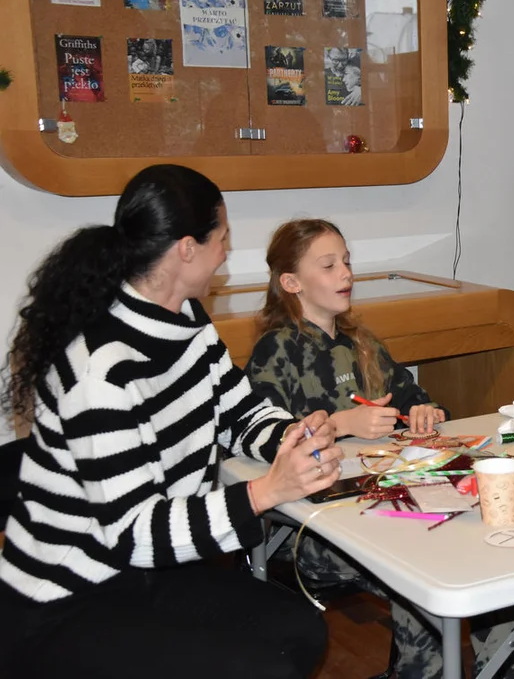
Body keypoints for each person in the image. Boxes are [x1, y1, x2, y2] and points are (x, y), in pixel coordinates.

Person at [0, 165, 337, 678]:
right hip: (68, 599)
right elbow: (136, 532)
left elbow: (238, 409)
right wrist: (266, 491)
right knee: (262, 667)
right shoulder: (102, 371)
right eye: (221, 238)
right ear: (186, 248)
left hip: (144, 572)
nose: (226, 252)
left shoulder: (186, 319)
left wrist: (290, 437)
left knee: (300, 629)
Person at [245, 219, 514, 679]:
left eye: (348, 262)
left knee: (480, 547)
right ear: (291, 283)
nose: (346, 274)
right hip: (309, 526)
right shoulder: (276, 351)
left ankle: (502, 669)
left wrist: (425, 412)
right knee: (421, 568)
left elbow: (412, 395)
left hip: (383, 496)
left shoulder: (361, 342)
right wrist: (339, 424)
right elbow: (269, 439)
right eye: (329, 265)